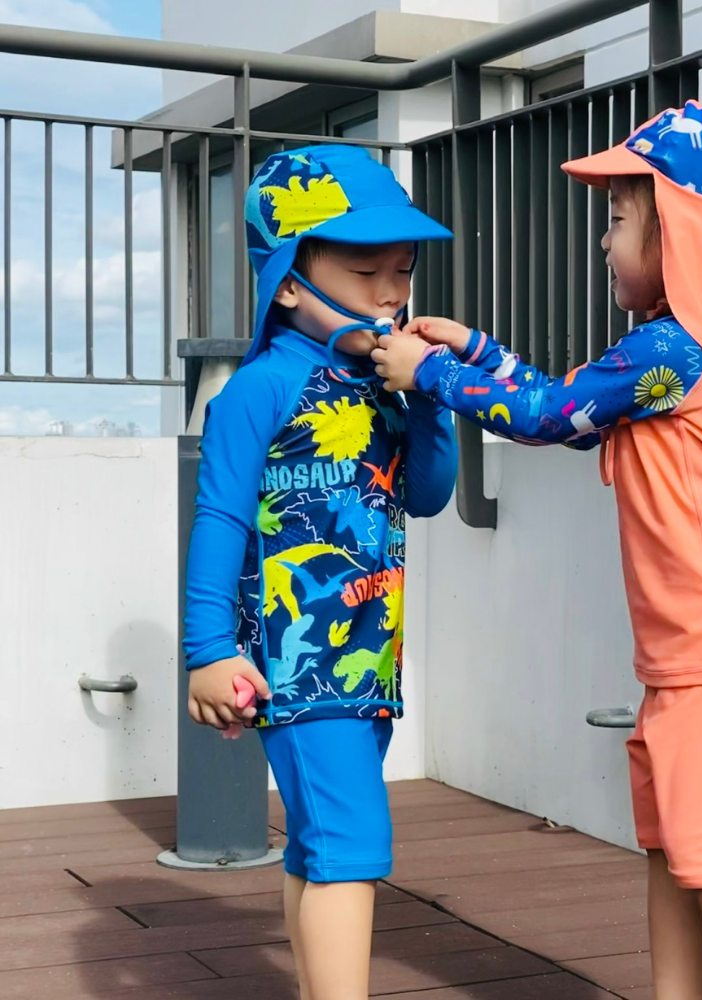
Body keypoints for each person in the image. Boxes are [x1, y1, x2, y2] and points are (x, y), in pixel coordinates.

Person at [372, 101, 702, 1000]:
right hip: (693, 649)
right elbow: (574, 410)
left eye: (617, 218)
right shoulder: (675, 352)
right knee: (674, 847)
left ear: (684, 231)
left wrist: (433, 373)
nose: (603, 242)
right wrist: (479, 350)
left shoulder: (678, 349)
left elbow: (547, 416)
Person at [182, 144, 457, 1000]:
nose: (390, 292)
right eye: (365, 270)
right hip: (299, 664)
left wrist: (430, 398)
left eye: (402, 270)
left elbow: (428, 494)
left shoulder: (381, 383)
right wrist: (206, 649)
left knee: (318, 845)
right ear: (288, 284)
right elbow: (220, 519)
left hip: (368, 661)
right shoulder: (259, 390)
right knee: (353, 846)